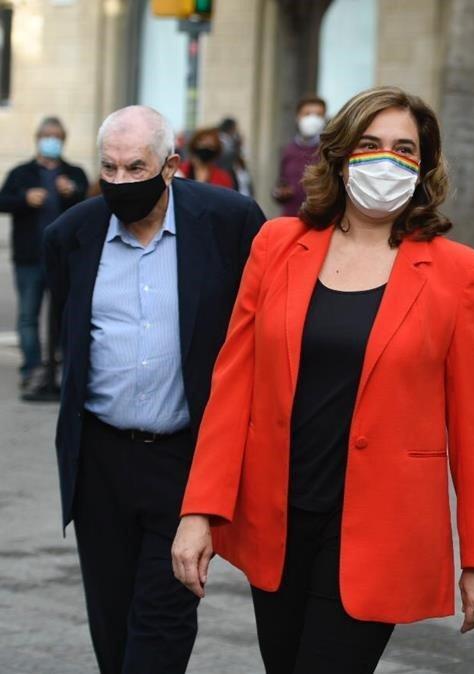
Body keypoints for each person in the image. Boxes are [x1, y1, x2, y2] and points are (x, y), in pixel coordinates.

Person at [170, 86, 474, 674]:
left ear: (423, 168)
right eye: (370, 144)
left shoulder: (461, 274)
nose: (385, 160)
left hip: (381, 532)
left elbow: (473, 426)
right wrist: (199, 511)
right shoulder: (276, 245)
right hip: (277, 521)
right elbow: (232, 389)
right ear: (341, 154)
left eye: (404, 149)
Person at [42, 105, 265, 674]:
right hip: (101, 462)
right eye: (108, 169)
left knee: (163, 623)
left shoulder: (229, 222)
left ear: (170, 166)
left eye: (134, 168)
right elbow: (66, 334)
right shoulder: (72, 234)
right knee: (112, 630)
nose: (119, 182)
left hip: (184, 460)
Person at [0, 116, 88, 399]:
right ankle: (33, 370)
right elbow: (3, 201)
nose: (51, 140)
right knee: (28, 315)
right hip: (28, 257)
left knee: (64, 315)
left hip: (64, 259)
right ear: (38, 138)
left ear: (63, 139)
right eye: (46, 135)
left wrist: (71, 192)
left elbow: (89, 203)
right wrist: (24, 199)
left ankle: (58, 368)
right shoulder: (21, 173)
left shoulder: (73, 173)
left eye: (56, 136)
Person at [273, 95, 327, 216]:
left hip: (320, 221)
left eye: (318, 115)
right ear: (298, 117)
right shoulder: (288, 150)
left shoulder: (329, 151)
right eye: (307, 114)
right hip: (291, 218)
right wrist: (280, 193)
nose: (312, 119)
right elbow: (280, 184)